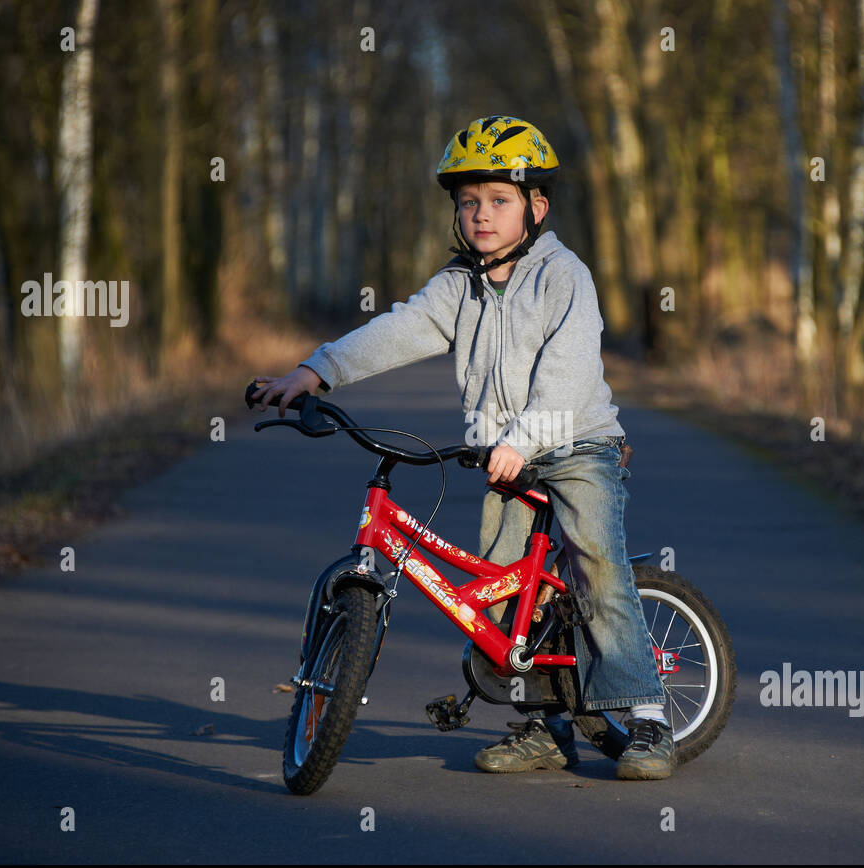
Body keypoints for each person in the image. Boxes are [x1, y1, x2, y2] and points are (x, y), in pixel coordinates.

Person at [251, 115, 674, 780]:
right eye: (469, 202)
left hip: (576, 442)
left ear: (536, 206)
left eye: (499, 200)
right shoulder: (461, 284)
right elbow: (400, 328)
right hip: (504, 454)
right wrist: (316, 370)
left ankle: (647, 718)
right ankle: (542, 725)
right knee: (501, 584)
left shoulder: (564, 277)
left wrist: (524, 437)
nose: (481, 214)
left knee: (594, 558)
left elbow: (566, 371)